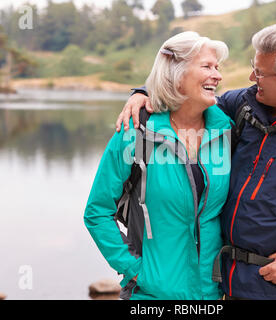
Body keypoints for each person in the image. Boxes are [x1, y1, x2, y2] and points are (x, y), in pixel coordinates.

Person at [115, 23, 276, 300]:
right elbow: (189, 95)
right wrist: (144, 93)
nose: (251, 76)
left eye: (260, 73)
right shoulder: (242, 106)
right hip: (223, 285)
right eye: (254, 66)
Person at [84, 31, 232, 300]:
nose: (217, 76)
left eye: (217, 68)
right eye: (207, 66)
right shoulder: (136, 132)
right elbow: (97, 211)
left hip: (211, 294)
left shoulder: (227, 130)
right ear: (176, 72)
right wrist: (135, 270)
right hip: (151, 294)